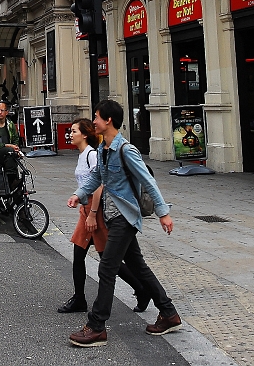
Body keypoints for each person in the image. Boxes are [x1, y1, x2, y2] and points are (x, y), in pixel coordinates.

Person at [66, 99, 181, 348]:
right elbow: (97, 177)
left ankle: (97, 326)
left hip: (124, 218)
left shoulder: (126, 150)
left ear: (108, 120)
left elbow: (148, 182)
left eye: (97, 117)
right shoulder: (103, 149)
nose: (94, 121)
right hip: (112, 217)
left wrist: (163, 212)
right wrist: (79, 194)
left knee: (107, 268)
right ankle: (169, 313)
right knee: (139, 267)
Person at [58, 118, 151, 315]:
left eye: (74, 131)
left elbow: (100, 184)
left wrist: (92, 214)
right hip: (86, 210)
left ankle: (141, 289)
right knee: (79, 255)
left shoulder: (92, 154)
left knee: (108, 260)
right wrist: (77, 196)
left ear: (84, 134)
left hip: (96, 211)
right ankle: (79, 298)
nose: (70, 134)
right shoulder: (82, 155)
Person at [0, 102, 23, 208]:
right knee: (9, 151)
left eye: (2, 110)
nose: (0, 113)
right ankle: (12, 181)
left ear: (7, 112)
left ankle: (18, 202)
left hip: (8, 156)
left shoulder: (10, 125)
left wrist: (16, 148)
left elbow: (15, 139)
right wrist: (8, 146)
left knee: (11, 156)